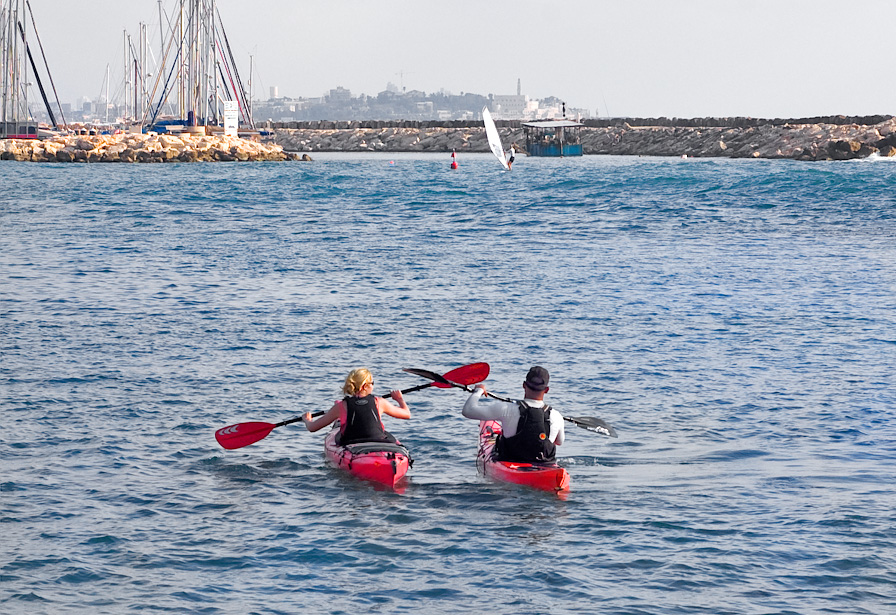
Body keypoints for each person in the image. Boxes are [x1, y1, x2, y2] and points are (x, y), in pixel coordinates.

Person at [462, 365, 564, 462]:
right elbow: (559, 442)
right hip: (544, 465)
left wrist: (478, 391)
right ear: (546, 390)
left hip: (511, 460)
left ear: (524, 385)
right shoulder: (557, 416)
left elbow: (468, 411)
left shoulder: (506, 409)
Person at [303, 368, 410, 445]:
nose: (373, 385)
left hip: (351, 443)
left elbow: (312, 428)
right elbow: (407, 414)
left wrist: (307, 420)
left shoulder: (341, 406)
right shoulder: (380, 402)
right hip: (378, 441)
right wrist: (399, 399)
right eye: (372, 383)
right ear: (364, 386)